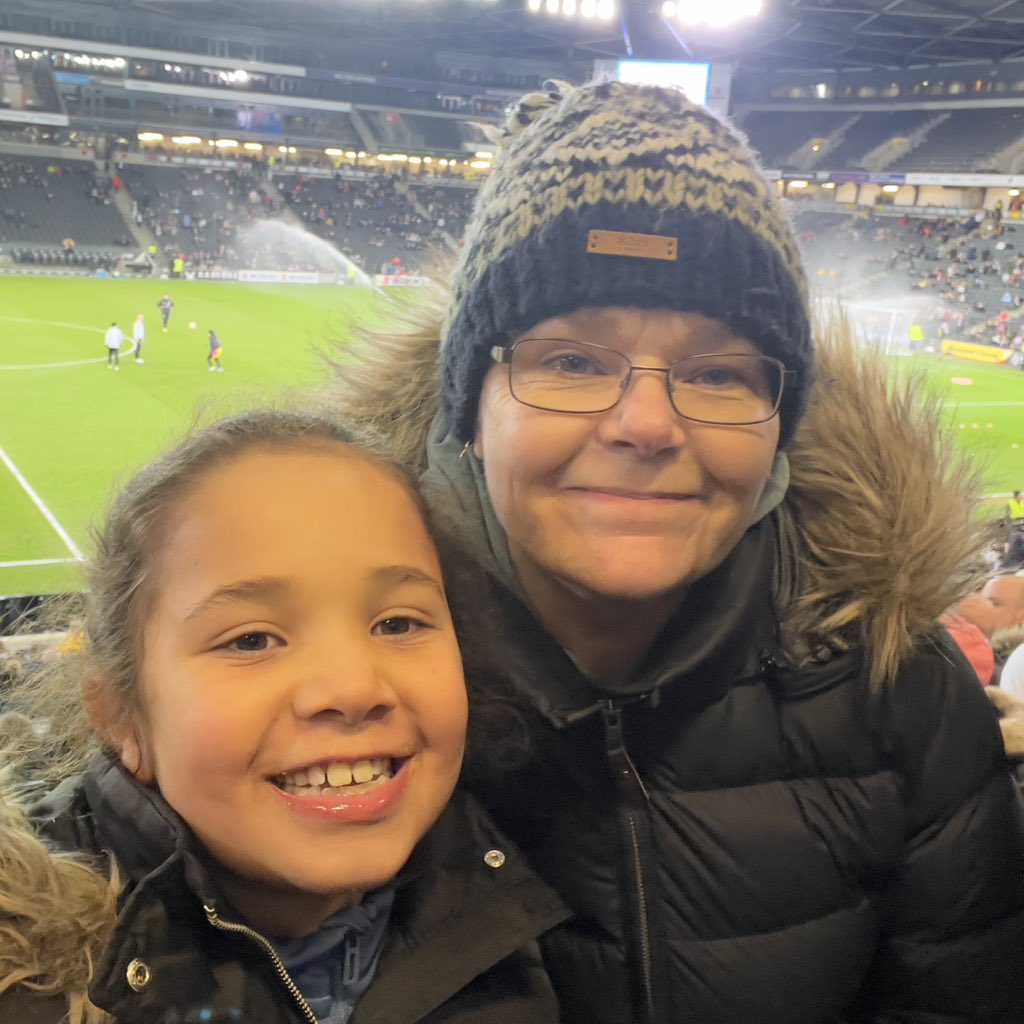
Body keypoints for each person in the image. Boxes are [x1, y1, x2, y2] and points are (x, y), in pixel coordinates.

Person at [328, 80, 1024, 1022]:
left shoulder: (904, 693)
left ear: (780, 424)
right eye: (571, 360)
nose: (646, 424)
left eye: (719, 372)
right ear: (470, 413)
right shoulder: (329, 702)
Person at [0, 410, 566, 1024]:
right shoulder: (26, 977)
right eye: (252, 641)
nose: (353, 688)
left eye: (397, 623)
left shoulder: (515, 897)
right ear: (120, 720)